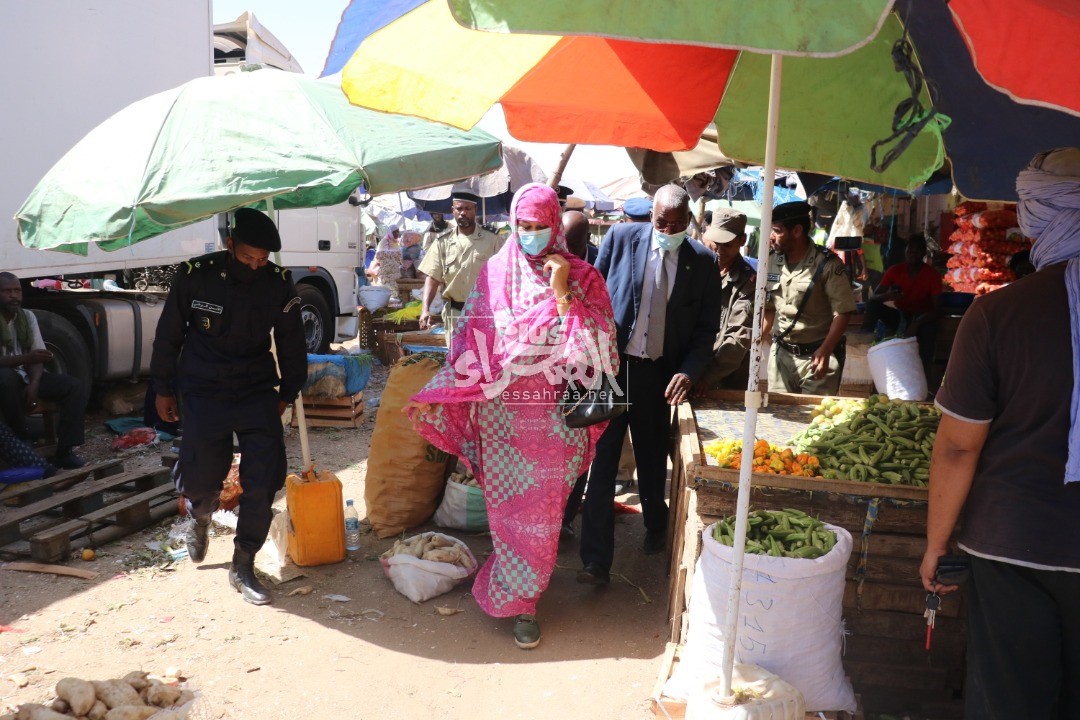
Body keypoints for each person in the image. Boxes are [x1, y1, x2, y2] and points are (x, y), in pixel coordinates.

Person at [408, 183, 617, 649]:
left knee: (541, 518)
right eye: (523, 226)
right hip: (502, 418)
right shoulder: (493, 274)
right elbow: (469, 344)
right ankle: (520, 601)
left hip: (555, 422)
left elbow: (598, 353)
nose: (530, 235)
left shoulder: (584, 278)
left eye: (540, 227)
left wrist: (562, 293)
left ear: (555, 227)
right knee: (506, 515)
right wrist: (454, 390)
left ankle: (524, 586)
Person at [920, 147, 1080, 719]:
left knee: (1013, 702)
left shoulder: (997, 316)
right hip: (1021, 543)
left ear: (1036, 215)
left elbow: (960, 445)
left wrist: (938, 545)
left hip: (1014, 543)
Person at [150, 208, 306, 606]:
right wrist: (163, 389)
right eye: (247, 257)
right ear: (230, 244)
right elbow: (168, 336)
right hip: (203, 390)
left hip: (255, 389)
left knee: (264, 478)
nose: (255, 266)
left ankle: (244, 563)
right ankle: (199, 516)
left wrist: (288, 392)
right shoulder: (195, 276)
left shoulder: (278, 284)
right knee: (203, 479)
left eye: (262, 259)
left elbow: (291, 342)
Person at [578, 184, 723, 584]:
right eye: (662, 222)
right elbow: (593, 299)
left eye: (678, 224)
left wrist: (689, 372)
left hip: (658, 375)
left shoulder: (703, 262)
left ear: (689, 222)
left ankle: (655, 526)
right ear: (651, 217)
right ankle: (595, 562)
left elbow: (706, 329)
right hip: (612, 368)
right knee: (602, 461)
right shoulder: (622, 238)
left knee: (651, 457)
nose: (669, 229)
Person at [764, 201, 855, 395]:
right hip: (781, 357)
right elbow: (769, 307)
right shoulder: (771, 260)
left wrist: (825, 350)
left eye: (777, 231)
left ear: (796, 231)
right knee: (778, 418)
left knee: (812, 421)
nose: (771, 237)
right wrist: (758, 340)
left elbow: (843, 313)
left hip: (817, 358)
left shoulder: (828, 265)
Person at [0, 272, 86, 468]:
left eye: (17, 291)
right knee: (5, 378)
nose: (14, 296)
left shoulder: (27, 317)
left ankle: (65, 451)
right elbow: (28, 358)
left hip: (26, 375)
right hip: (5, 378)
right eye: (6, 291)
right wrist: (27, 359)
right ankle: (21, 437)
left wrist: (35, 383)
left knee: (73, 386)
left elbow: (37, 356)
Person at [418, 192, 503, 347]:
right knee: (457, 362)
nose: (463, 212)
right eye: (459, 209)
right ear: (453, 210)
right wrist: (425, 309)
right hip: (455, 313)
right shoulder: (442, 242)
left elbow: (504, 275)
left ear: (475, 209)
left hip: (484, 313)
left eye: (467, 208)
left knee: (484, 361)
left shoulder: (493, 239)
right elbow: (433, 277)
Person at [560, 210, 598, 539]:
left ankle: (567, 517)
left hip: (587, 372)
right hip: (550, 370)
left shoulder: (601, 264)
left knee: (579, 446)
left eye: (573, 243)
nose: (566, 249)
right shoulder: (550, 261)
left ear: (586, 240)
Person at [861, 235, 942, 376]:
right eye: (910, 250)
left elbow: (937, 309)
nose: (913, 254)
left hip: (923, 317)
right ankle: (863, 342)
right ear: (905, 252)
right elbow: (874, 297)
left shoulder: (932, 275)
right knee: (873, 306)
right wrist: (887, 296)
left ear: (924, 253)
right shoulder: (895, 270)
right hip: (901, 315)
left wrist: (917, 323)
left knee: (929, 333)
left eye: (917, 251)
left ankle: (923, 375)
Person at [695, 209, 756, 393]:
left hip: (726, 379)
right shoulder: (698, 268)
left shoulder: (750, 282)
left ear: (742, 241)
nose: (719, 250)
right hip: (692, 369)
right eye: (716, 243)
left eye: (727, 245)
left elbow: (738, 338)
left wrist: (706, 377)